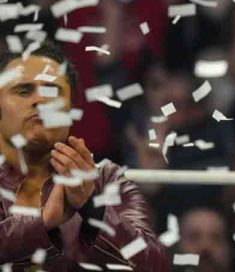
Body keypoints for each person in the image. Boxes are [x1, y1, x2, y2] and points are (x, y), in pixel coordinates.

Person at [0, 40, 168, 270]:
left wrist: (94, 208)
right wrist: (42, 223)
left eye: (52, 90)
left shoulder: (108, 180)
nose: (40, 100)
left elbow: (154, 265)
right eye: (23, 90)